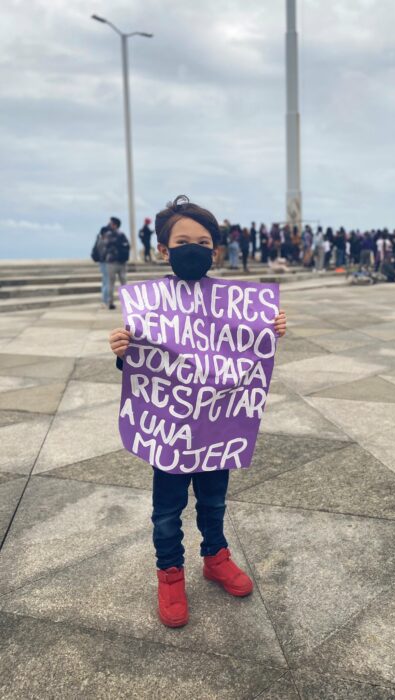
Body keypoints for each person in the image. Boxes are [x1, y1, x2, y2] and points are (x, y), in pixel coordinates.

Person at [108, 194, 287, 628]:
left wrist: (270, 331)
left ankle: (215, 557)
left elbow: (242, 353)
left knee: (214, 501)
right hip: (169, 429)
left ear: (215, 250)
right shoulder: (150, 303)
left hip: (217, 426)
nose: (195, 248)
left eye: (204, 241)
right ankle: (169, 575)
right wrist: (123, 351)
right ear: (164, 250)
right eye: (183, 240)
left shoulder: (231, 300)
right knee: (167, 511)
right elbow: (147, 361)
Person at [105, 217, 130, 309]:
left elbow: (106, 247)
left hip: (111, 262)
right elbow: (128, 246)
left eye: (110, 223)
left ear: (114, 224)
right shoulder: (122, 234)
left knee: (111, 283)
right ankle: (127, 303)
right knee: (123, 282)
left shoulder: (108, 235)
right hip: (121, 262)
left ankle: (110, 303)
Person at [91, 225, 110, 307]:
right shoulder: (103, 242)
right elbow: (105, 254)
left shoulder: (99, 240)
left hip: (102, 263)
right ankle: (105, 300)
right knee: (106, 282)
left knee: (105, 282)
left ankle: (105, 300)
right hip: (105, 263)